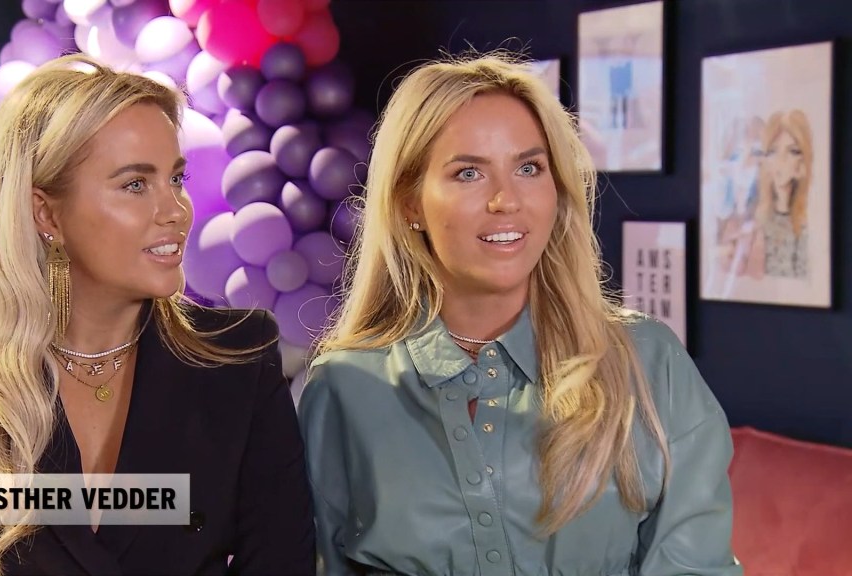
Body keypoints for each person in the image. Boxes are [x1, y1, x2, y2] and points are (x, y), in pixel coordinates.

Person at [0, 54, 315, 576]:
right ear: (46, 213)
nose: (176, 210)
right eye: (136, 184)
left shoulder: (238, 364)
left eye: (176, 179)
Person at [298, 52, 741, 576]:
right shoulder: (344, 388)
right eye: (468, 173)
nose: (506, 200)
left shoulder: (649, 363)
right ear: (409, 204)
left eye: (529, 168)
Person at [746, 109, 812, 279]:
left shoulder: (806, 221)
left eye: (792, 151)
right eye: (773, 151)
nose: (780, 160)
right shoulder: (755, 211)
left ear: (803, 160)